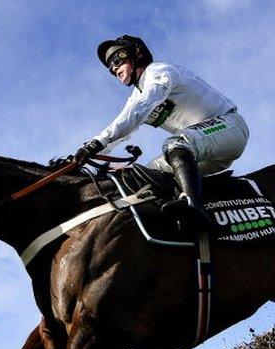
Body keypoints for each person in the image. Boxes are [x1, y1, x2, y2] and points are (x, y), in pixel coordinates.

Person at [72, 35, 249, 231]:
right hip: (203, 152)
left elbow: (139, 110)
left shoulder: (159, 71)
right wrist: (84, 156)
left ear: (136, 54)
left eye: (116, 60)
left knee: (175, 144)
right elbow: (123, 128)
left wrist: (96, 143)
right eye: (110, 68)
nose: (113, 69)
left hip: (230, 127)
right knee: (150, 172)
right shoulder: (136, 97)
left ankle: (193, 205)